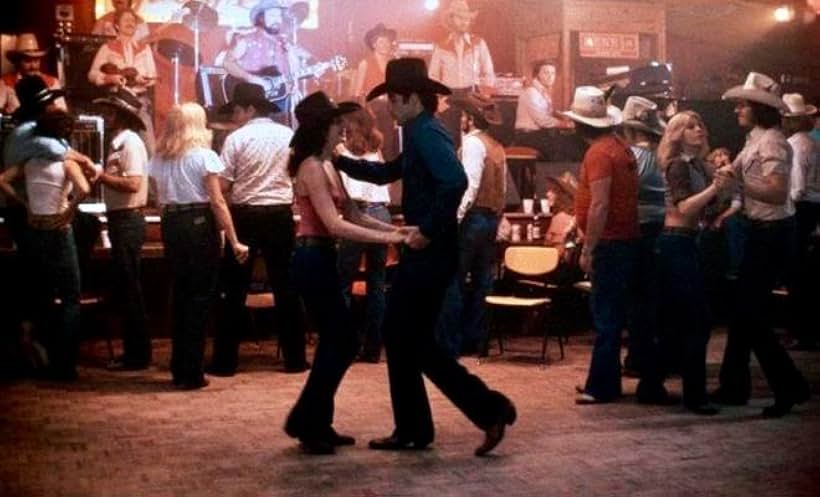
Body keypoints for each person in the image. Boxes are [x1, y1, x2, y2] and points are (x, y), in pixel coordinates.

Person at [334, 58, 516, 457]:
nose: (391, 108)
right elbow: (387, 175)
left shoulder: (425, 133)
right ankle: (443, 421)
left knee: (403, 337)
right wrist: (340, 162)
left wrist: (427, 231)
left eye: (395, 100)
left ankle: (464, 415)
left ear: (412, 98)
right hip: (433, 250)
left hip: (431, 251)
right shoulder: (420, 131)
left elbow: (455, 181)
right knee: (408, 340)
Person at [283, 91, 409, 455]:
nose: (343, 130)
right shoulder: (310, 165)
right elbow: (334, 225)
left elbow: (353, 214)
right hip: (311, 259)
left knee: (338, 342)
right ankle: (308, 420)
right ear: (323, 127)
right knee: (341, 341)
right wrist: (389, 238)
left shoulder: (328, 165)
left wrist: (396, 232)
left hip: (318, 258)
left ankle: (313, 421)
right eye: (337, 124)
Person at [712, 72, 810, 417]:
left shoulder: (771, 142)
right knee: (743, 314)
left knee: (750, 315)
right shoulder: (756, 138)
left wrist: (736, 183)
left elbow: (776, 191)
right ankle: (734, 385)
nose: (737, 109)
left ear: (758, 108)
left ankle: (789, 384)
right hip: (761, 230)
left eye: (743, 104)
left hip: (772, 232)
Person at [208, 82, 309, 376]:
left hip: (246, 215)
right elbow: (294, 174)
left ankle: (225, 362)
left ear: (250, 109)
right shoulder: (288, 135)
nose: (235, 115)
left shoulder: (236, 139)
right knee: (286, 287)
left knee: (234, 288)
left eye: (237, 109)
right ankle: (295, 359)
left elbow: (225, 184)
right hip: (279, 215)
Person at [148, 102, 249, 390]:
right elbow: (217, 202)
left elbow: (157, 195)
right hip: (198, 222)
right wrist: (234, 240)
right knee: (200, 298)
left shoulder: (160, 157)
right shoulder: (204, 156)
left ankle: (179, 366)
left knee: (180, 296)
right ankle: (191, 371)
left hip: (171, 223)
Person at [0, 109, 95, 381]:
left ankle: (39, 358)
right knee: (70, 298)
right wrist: (69, 210)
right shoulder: (67, 163)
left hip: (34, 227)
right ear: (64, 133)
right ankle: (64, 366)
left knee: (41, 292)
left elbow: (2, 181)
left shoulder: (29, 162)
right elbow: (85, 190)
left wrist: (25, 204)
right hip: (58, 228)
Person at [655, 111, 737, 415]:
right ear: (677, 134)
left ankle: (652, 384)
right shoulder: (678, 165)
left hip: (688, 242)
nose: (699, 129)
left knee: (678, 322)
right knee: (695, 320)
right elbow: (686, 207)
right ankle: (694, 395)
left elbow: (708, 210)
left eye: (700, 124)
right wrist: (716, 188)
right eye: (690, 126)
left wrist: (724, 191)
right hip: (676, 241)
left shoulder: (698, 166)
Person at [561, 86, 639, 405]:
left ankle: (602, 386)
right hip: (625, 240)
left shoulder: (598, 153)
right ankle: (602, 380)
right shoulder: (621, 147)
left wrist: (588, 248)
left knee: (605, 316)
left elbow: (599, 205)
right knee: (613, 314)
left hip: (609, 243)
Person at [436, 93, 507, 357]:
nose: (461, 120)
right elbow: (500, 189)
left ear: (470, 118)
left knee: (452, 279)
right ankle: (476, 341)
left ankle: (450, 343)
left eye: (464, 115)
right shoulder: (496, 146)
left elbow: (469, 185)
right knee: (482, 281)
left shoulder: (473, 143)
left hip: (473, 218)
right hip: (490, 218)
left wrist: (453, 219)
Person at [93, 90, 152, 370]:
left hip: (128, 219)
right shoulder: (120, 143)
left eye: (110, 112)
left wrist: (99, 175)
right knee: (128, 287)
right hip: (122, 219)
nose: (106, 116)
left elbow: (133, 184)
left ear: (121, 115)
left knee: (131, 289)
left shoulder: (130, 143)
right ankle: (135, 353)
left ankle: (137, 355)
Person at [335, 106, 393, 363]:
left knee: (343, 283)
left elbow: (340, 189)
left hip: (358, 215)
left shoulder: (342, 152)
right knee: (377, 284)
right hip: (381, 214)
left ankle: (344, 345)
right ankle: (373, 348)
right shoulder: (376, 152)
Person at [618, 96, 667, 392]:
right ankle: (652, 358)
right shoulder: (664, 156)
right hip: (664, 228)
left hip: (636, 229)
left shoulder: (630, 158)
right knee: (654, 298)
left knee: (636, 299)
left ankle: (638, 357)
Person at [223, 0, 312, 117]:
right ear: (261, 18)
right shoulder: (246, 40)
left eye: (279, 15)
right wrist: (250, 78)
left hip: (280, 101)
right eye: (272, 15)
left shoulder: (285, 43)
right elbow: (227, 62)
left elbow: (299, 69)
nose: (277, 19)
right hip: (250, 104)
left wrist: (314, 68)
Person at [88, 8, 158, 154]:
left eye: (133, 21)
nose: (130, 23)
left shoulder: (145, 49)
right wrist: (110, 78)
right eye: (126, 20)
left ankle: (149, 175)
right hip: (117, 104)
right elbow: (92, 74)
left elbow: (152, 75)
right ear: (117, 25)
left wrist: (142, 80)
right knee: (116, 145)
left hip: (139, 102)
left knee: (149, 146)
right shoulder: (107, 48)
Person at [428, 0, 495, 149]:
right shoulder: (441, 46)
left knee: (474, 137)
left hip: (471, 92)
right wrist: (439, 100)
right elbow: (433, 76)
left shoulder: (478, 43)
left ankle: (472, 171)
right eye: (460, 18)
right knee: (448, 137)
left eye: (467, 18)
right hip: (448, 95)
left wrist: (484, 97)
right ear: (451, 20)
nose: (465, 21)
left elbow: (489, 73)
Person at [781, 93, 818, 351]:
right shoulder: (814, 144)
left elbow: (797, 188)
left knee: (797, 273)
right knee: (810, 274)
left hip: (801, 209)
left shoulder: (794, 145)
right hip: (816, 208)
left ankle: (799, 331)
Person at [353, 23, 399, 161]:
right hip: (372, 108)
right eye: (381, 42)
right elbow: (358, 92)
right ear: (374, 44)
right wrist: (364, 115)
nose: (385, 44)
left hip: (390, 107)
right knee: (373, 143)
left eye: (387, 41)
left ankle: (387, 172)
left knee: (389, 142)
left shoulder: (394, 62)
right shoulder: (365, 63)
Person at [2, 33, 63, 115]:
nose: (33, 66)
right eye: (27, 61)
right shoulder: (5, 82)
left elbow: (61, 110)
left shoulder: (52, 82)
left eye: (36, 60)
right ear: (18, 61)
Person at [514, 60, 560, 160]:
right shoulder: (531, 92)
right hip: (527, 137)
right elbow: (541, 120)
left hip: (537, 135)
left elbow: (546, 114)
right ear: (537, 75)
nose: (550, 76)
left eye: (553, 73)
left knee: (567, 143)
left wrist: (561, 117)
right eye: (546, 72)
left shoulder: (544, 93)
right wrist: (563, 123)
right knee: (566, 147)